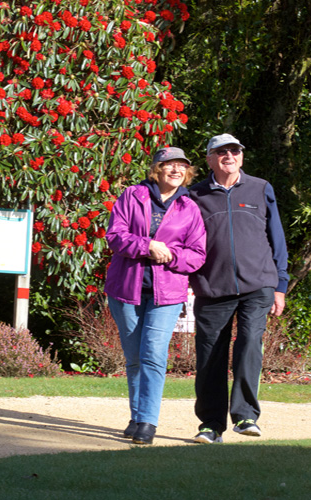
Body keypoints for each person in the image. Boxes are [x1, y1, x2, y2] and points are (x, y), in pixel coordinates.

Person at [188, 133, 289, 444]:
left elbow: (277, 237)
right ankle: (210, 424)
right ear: (209, 159)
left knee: (248, 343)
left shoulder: (261, 188)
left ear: (242, 157)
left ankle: (245, 415)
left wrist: (280, 284)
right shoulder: (194, 195)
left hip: (258, 284)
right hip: (211, 287)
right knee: (209, 357)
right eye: (221, 152)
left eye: (234, 151)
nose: (228, 156)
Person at [104, 146, 207, 445]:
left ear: (187, 173)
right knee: (134, 357)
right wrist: (147, 245)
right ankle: (136, 417)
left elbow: (197, 255)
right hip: (126, 290)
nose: (175, 170)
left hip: (168, 294)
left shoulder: (190, 208)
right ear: (156, 169)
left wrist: (170, 254)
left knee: (152, 354)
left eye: (181, 166)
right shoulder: (132, 196)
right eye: (168, 164)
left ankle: (148, 422)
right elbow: (115, 236)